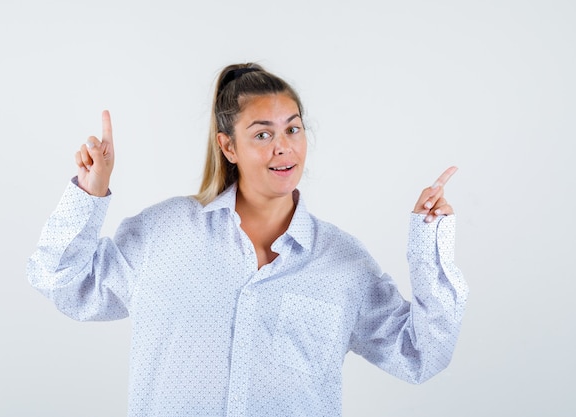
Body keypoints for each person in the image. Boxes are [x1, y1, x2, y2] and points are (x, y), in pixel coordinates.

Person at [27, 63, 468, 417]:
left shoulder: (343, 262)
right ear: (228, 146)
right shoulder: (162, 234)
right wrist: (90, 192)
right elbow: (65, 283)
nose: (284, 147)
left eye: (293, 129)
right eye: (262, 134)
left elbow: (419, 355)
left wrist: (430, 244)